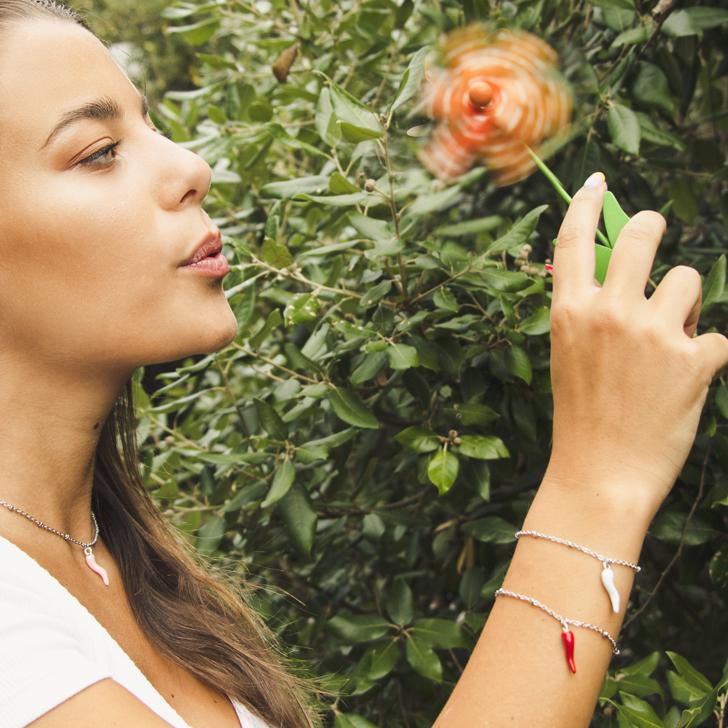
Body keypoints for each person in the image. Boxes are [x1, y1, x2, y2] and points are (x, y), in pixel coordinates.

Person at [0, 2, 726, 727]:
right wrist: (599, 479)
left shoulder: (122, 563)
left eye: (152, 125)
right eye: (98, 151)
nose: (192, 166)